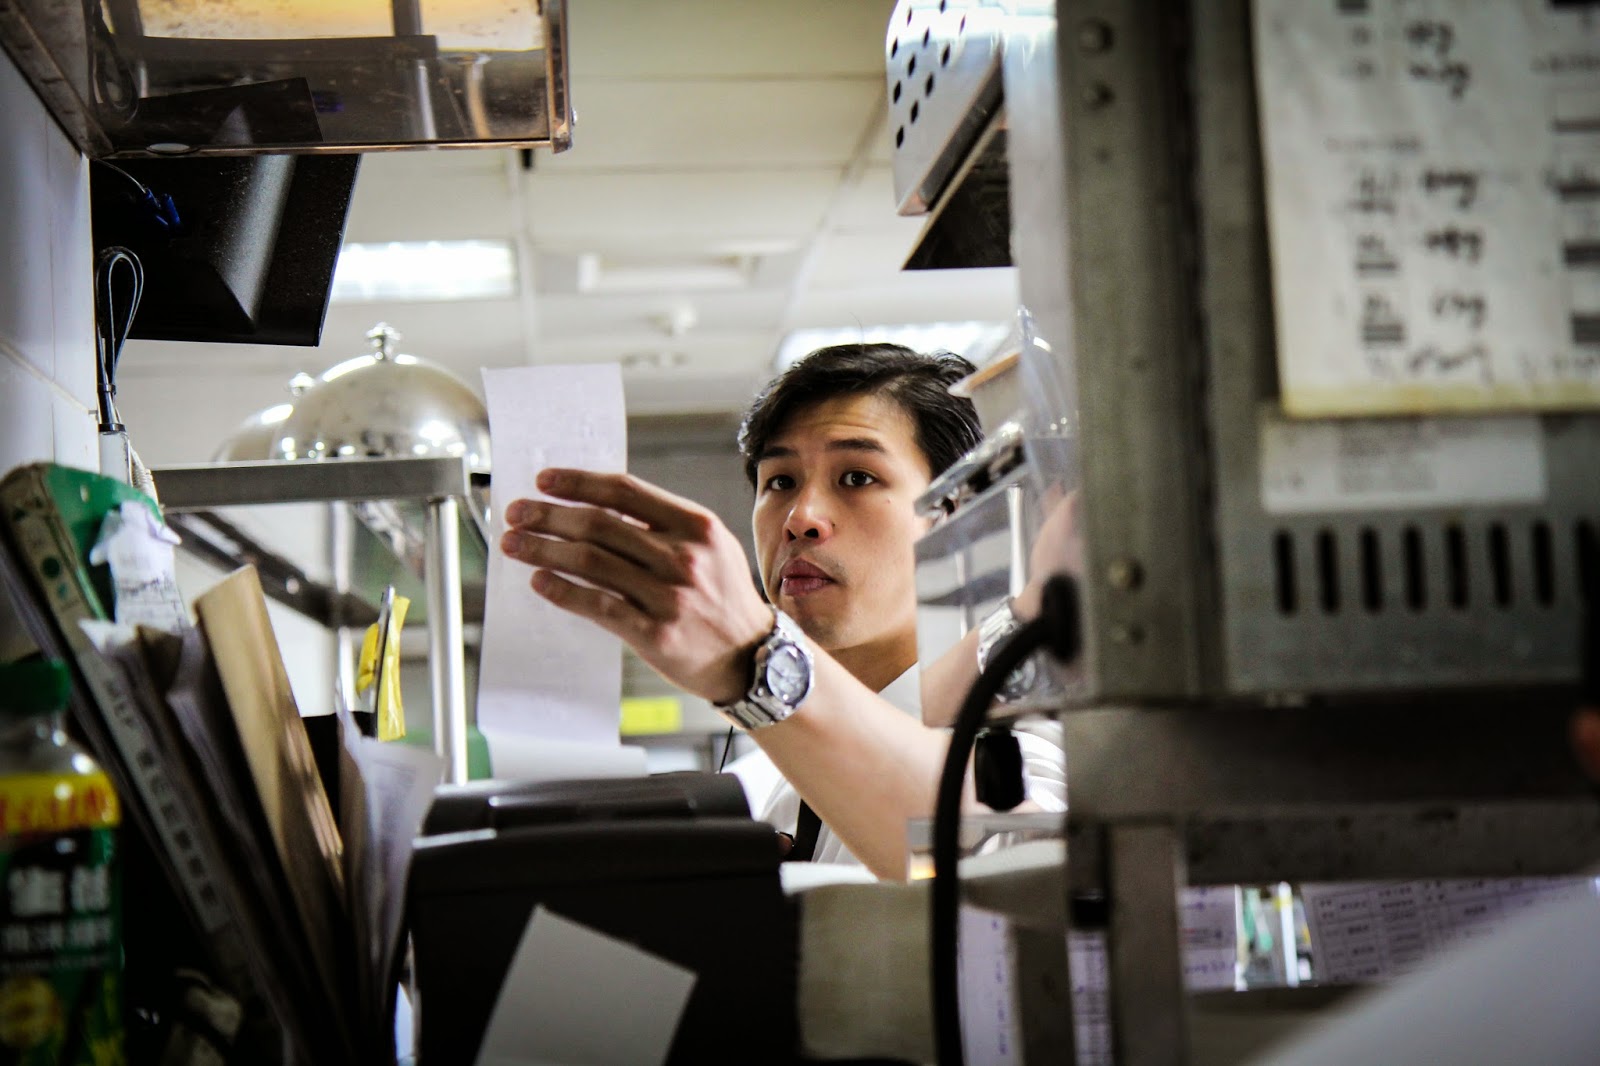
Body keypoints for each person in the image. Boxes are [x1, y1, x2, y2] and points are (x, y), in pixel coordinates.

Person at [498, 343, 1068, 880]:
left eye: (857, 478)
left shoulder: (1024, 739)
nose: (800, 518)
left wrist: (756, 661)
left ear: (956, 514)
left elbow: (1017, 871)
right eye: (781, 482)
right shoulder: (777, 786)